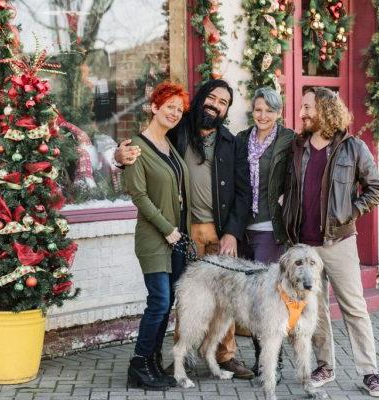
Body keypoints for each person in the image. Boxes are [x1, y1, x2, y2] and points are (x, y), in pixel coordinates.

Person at [116, 79, 254, 379]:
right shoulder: (177, 131)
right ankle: (185, 357)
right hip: (184, 232)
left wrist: (231, 232)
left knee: (225, 297)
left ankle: (226, 356)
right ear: (202, 97)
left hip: (219, 233)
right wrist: (119, 156)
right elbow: (143, 148)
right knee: (187, 298)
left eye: (223, 102)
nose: (215, 105)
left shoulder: (233, 143)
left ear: (226, 110)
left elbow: (244, 193)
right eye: (212, 98)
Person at [282, 87, 379, 397]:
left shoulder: (352, 147)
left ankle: (370, 372)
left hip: (339, 241)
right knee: (314, 309)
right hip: (305, 245)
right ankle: (324, 365)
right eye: (301, 107)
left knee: (354, 307)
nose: (301, 113)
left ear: (325, 110)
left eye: (307, 107)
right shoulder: (298, 146)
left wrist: (349, 212)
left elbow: (376, 189)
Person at [122, 82, 191, 390]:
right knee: (159, 301)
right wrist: (168, 229)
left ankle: (152, 361)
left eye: (179, 109)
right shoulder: (136, 147)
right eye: (169, 107)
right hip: (155, 239)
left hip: (176, 238)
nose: (175, 113)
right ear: (154, 107)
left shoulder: (169, 145)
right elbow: (139, 195)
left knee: (168, 301)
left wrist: (179, 232)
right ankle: (138, 363)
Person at [236, 87, 294, 381]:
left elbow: (298, 175)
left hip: (271, 229)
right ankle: (262, 360)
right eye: (259, 109)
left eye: (269, 111)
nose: (263, 116)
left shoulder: (288, 139)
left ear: (278, 113)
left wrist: (289, 199)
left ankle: (273, 363)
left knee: (268, 300)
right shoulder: (241, 139)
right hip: (243, 227)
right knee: (250, 300)